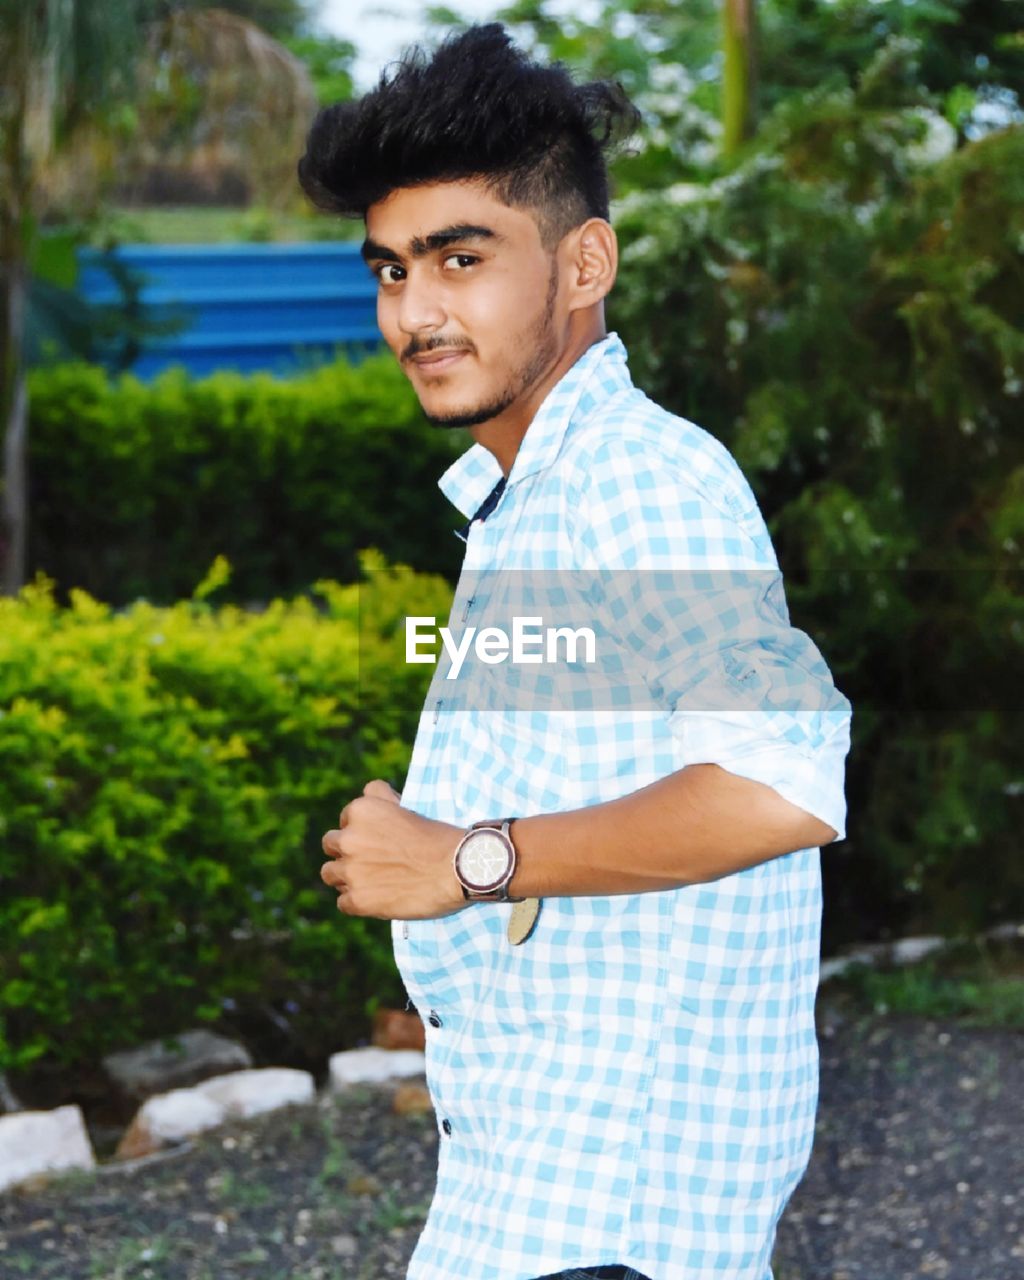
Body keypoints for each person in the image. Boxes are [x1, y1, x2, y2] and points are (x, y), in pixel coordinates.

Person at [304, 23, 852, 1280]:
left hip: (615, 1223)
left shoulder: (642, 482)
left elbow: (781, 782)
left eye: (461, 257)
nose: (417, 310)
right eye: (391, 269)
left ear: (583, 259)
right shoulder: (531, 497)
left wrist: (464, 860)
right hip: (534, 1195)